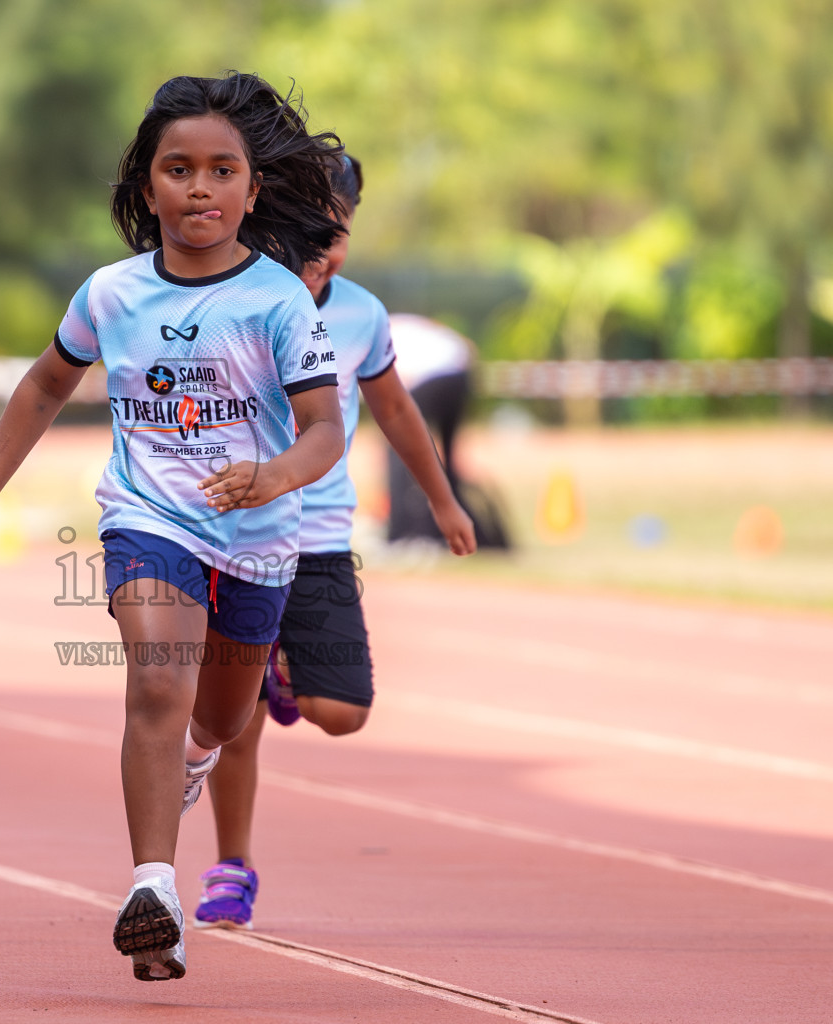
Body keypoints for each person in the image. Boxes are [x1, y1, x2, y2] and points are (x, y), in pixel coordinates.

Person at [0, 72, 347, 982]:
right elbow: (47, 384)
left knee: (221, 716)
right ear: (145, 186)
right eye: (178, 169)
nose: (198, 188)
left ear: (251, 190)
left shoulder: (279, 301)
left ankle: (194, 765)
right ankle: (155, 891)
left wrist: (271, 477)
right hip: (147, 516)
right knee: (157, 686)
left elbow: (326, 428)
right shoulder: (112, 294)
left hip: (258, 536)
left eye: (220, 171)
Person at [195, 154, 476, 931]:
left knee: (343, 711)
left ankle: (285, 676)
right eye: (309, 226)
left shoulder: (360, 315)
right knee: (233, 723)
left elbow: (398, 414)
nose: (324, 243)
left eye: (339, 229)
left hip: (318, 542)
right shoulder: (235, 298)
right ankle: (232, 867)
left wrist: (445, 501)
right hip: (237, 539)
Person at [384, 313, 474, 543]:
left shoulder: (369, 330)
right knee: (448, 454)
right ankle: (459, 519)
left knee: (398, 447)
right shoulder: (408, 322)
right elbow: (467, 348)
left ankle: (403, 530)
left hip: (427, 377)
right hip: (460, 374)